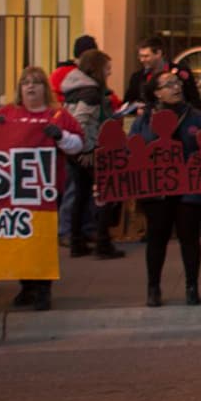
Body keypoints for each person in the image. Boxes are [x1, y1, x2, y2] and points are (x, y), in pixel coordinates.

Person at [0, 66, 83, 309]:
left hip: (47, 189)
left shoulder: (58, 116)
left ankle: (43, 289)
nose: (31, 86)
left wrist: (60, 136)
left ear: (45, 88)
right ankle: (26, 286)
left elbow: (77, 145)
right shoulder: (7, 113)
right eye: (26, 82)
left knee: (43, 240)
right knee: (21, 240)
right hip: (15, 190)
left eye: (36, 82)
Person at [131, 69, 201, 306]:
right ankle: (153, 287)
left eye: (177, 83)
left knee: (190, 238)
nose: (175, 87)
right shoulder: (144, 120)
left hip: (190, 188)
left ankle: (191, 286)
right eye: (168, 85)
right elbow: (132, 149)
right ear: (156, 93)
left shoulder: (195, 116)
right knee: (157, 238)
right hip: (158, 190)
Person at [58, 48, 123, 260]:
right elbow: (81, 122)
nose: (109, 73)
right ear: (97, 69)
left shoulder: (74, 88)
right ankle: (103, 244)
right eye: (107, 69)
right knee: (105, 194)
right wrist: (87, 150)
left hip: (76, 152)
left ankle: (77, 242)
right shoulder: (91, 93)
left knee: (80, 195)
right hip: (91, 151)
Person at [124, 36, 172, 119]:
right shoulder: (137, 77)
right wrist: (137, 110)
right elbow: (127, 104)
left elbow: (193, 101)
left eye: (146, 56)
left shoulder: (178, 73)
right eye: (140, 56)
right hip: (146, 124)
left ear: (158, 53)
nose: (142, 60)